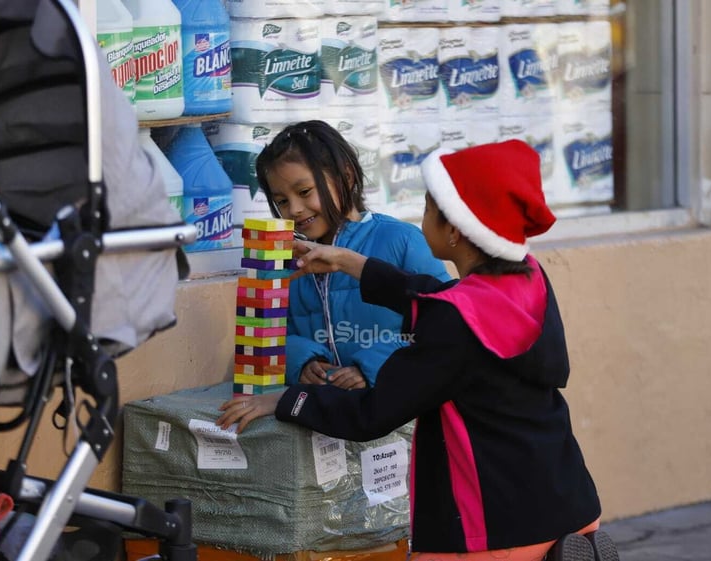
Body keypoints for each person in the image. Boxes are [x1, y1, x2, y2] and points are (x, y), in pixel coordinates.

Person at [218, 140, 619, 561]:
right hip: (565, 503)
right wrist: (351, 263)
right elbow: (439, 297)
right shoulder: (527, 281)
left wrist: (287, 400)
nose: (422, 218)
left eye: (429, 208)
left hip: (490, 529)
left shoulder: (453, 322)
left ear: (455, 229)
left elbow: (371, 414)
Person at [254, 120, 450, 390]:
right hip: (319, 410)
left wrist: (373, 367)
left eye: (304, 192)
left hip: (392, 410)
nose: (295, 209)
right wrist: (301, 362)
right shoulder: (279, 258)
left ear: (345, 176)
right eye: (282, 201)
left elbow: (446, 326)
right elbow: (263, 334)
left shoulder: (401, 240)